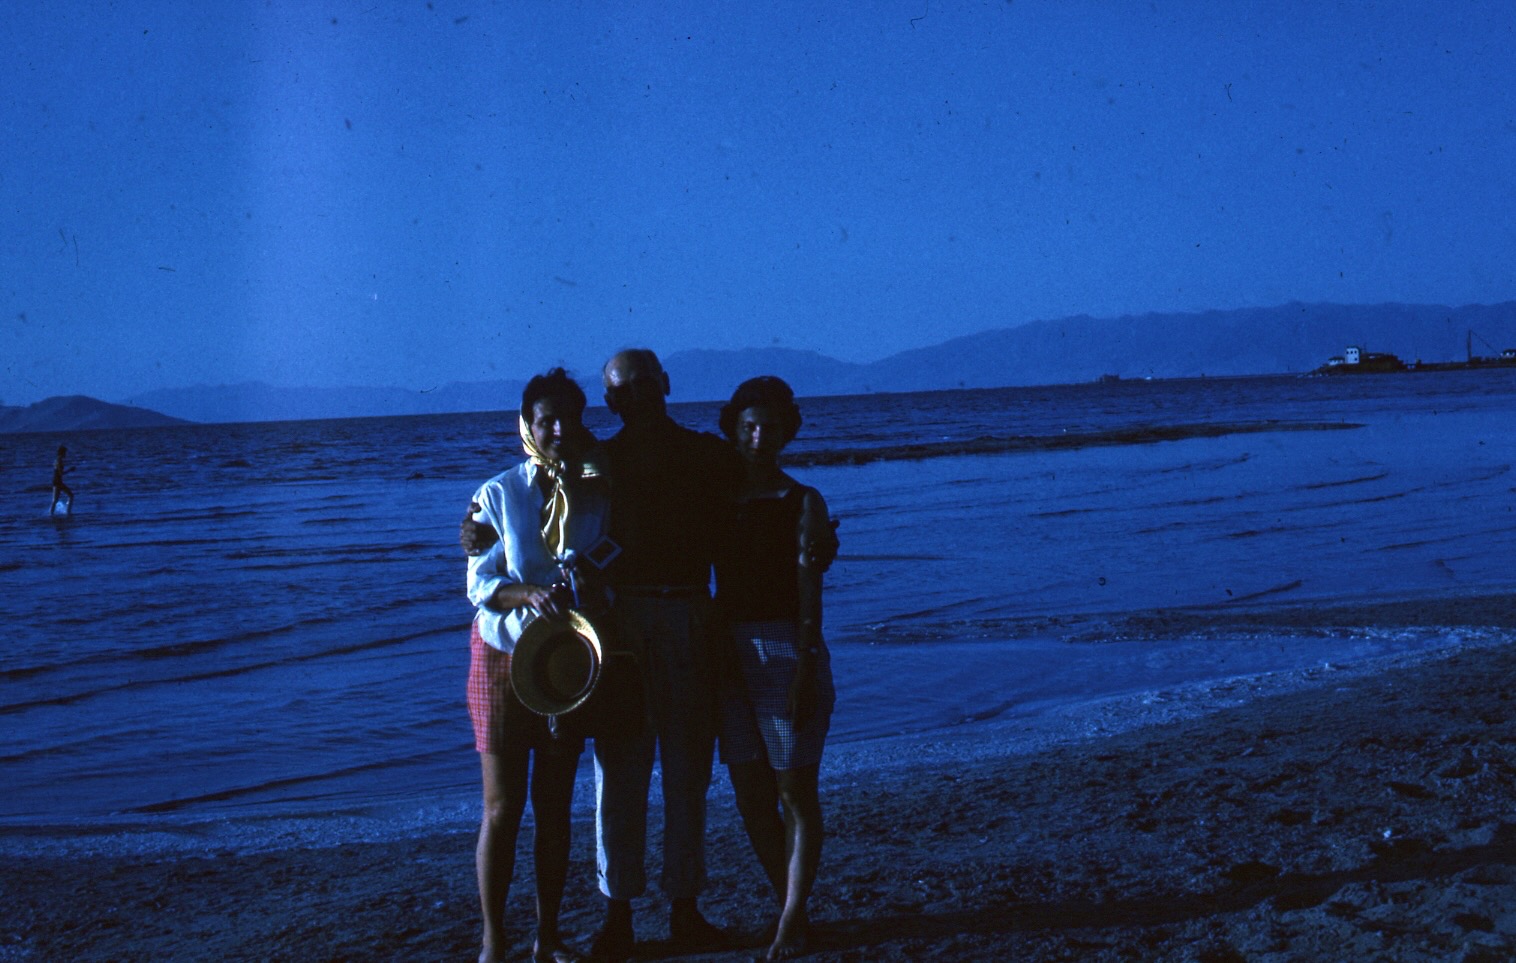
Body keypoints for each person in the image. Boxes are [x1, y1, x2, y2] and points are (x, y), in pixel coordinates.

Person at [465, 368, 609, 963]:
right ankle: (494, 942)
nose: (557, 430)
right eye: (545, 420)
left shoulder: (596, 490)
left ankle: (547, 937)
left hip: (564, 661)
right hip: (501, 656)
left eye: (567, 419)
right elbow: (479, 586)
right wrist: (529, 593)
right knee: (502, 808)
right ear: (526, 425)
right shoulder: (497, 494)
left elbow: (606, 558)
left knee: (554, 808)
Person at [714, 377, 836, 960]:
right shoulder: (716, 500)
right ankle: (792, 906)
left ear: (787, 433)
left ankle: (790, 920)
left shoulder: (803, 500)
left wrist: (805, 666)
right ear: (734, 431)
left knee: (794, 789)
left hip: (787, 646)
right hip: (728, 653)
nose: (759, 438)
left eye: (770, 428)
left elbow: (810, 591)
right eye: (749, 427)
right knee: (748, 791)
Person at [51, 445, 74, 516]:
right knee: (70, 496)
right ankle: (67, 512)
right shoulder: (59, 461)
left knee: (55, 500)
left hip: (57, 481)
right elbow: (61, 473)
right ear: (62, 453)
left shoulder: (57, 460)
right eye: (65, 453)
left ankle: (52, 514)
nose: (66, 454)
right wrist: (70, 470)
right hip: (57, 482)